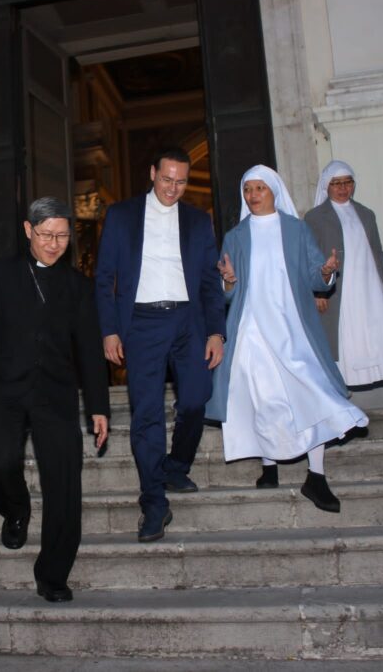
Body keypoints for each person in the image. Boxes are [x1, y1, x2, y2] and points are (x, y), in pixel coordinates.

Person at [0, 197, 109, 603]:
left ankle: (53, 575)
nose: (54, 244)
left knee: (64, 484)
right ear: (28, 230)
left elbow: (89, 349)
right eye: (46, 235)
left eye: (62, 236)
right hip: (3, 390)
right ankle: (16, 507)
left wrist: (98, 406)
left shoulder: (77, 285)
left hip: (55, 394)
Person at [208, 166, 368, 513]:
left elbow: (315, 277)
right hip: (253, 329)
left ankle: (316, 476)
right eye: (247, 189)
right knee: (265, 399)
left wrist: (326, 271)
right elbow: (228, 293)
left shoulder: (296, 229)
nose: (253, 195)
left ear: (274, 191)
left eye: (260, 188)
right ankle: (269, 465)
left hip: (292, 327)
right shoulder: (236, 236)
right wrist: (229, 281)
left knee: (312, 392)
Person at [95, 148, 226, 542]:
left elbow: (210, 281)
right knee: (147, 414)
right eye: (167, 179)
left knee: (196, 398)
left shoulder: (198, 221)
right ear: (152, 173)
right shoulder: (122, 215)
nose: (173, 188)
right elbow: (104, 277)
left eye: (181, 181)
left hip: (188, 321)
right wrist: (109, 330)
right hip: (141, 323)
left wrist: (216, 332)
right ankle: (153, 502)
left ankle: (176, 466)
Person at [304, 160, 383, 407]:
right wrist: (317, 291)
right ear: (326, 186)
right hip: (339, 290)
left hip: (370, 287)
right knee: (342, 340)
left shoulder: (366, 214)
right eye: (336, 183)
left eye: (347, 182)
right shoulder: (315, 218)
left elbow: (377, 252)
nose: (343, 188)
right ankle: (339, 396)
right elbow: (310, 257)